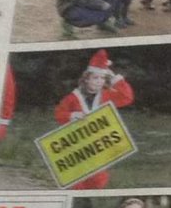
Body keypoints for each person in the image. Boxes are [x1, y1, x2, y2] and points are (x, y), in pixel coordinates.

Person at [53, 50, 134, 189]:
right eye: (95, 78)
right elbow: (59, 113)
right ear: (86, 79)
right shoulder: (73, 97)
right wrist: (71, 115)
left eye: (102, 78)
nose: (99, 82)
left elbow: (127, 98)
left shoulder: (106, 95)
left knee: (98, 180)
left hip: (98, 146)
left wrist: (115, 79)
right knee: (77, 182)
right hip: (76, 145)